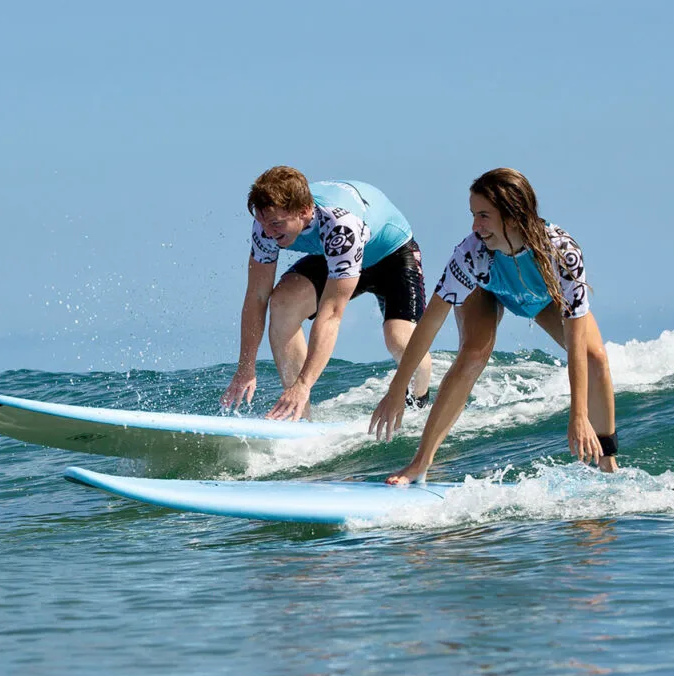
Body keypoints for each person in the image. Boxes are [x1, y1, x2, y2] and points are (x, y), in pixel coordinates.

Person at [369, 167, 617, 483]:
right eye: (473, 215)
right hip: (486, 290)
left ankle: (608, 461)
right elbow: (430, 324)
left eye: (484, 216)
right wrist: (397, 389)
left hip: (542, 299)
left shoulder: (561, 252)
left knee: (595, 357)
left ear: (512, 215)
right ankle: (420, 463)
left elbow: (576, 344)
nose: (475, 226)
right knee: (473, 354)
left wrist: (579, 415)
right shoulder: (471, 254)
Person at [221, 166, 433, 420]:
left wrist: (304, 383)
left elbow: (331, 313)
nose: (267, 232)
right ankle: (300, 417)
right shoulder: (266, 226)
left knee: (399, 340)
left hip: (391, 257)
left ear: (304, 211)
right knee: (283, 304)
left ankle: (418, 408)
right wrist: (246, 367)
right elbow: (257, 296)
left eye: (276, 224)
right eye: (262, 222)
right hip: (334, 254)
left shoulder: (340, 225)